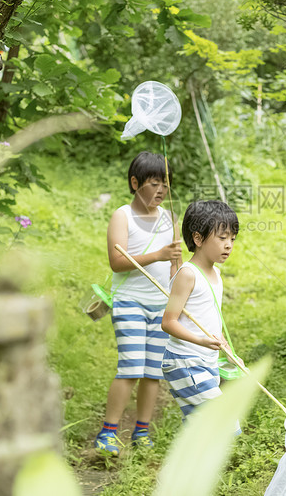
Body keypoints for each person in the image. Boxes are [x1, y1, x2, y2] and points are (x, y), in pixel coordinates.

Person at [95, 151, 181, 455]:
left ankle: (141, 430)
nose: (160, 190)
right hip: (130, 301)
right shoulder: (123, 215)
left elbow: (175, 263)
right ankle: (108, 432)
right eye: (153, 183)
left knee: (152, 372)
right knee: (131, 368)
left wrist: (177, 294)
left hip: (161, 305)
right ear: (135, 183)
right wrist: (157, 254)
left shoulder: (169, 217)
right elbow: (117, 262)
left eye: (165, 184)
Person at [161, 200, 242, 422]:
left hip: (206, 361)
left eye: (232, 239)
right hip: (184, 361)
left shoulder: (216, 274)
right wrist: (200, 340)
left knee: (199, 427)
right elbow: (168, 322)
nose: (229, 245)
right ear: (198, 238)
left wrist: (229, 352)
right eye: (222, 237)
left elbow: (213, 323)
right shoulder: (188, 274)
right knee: (222, 424)